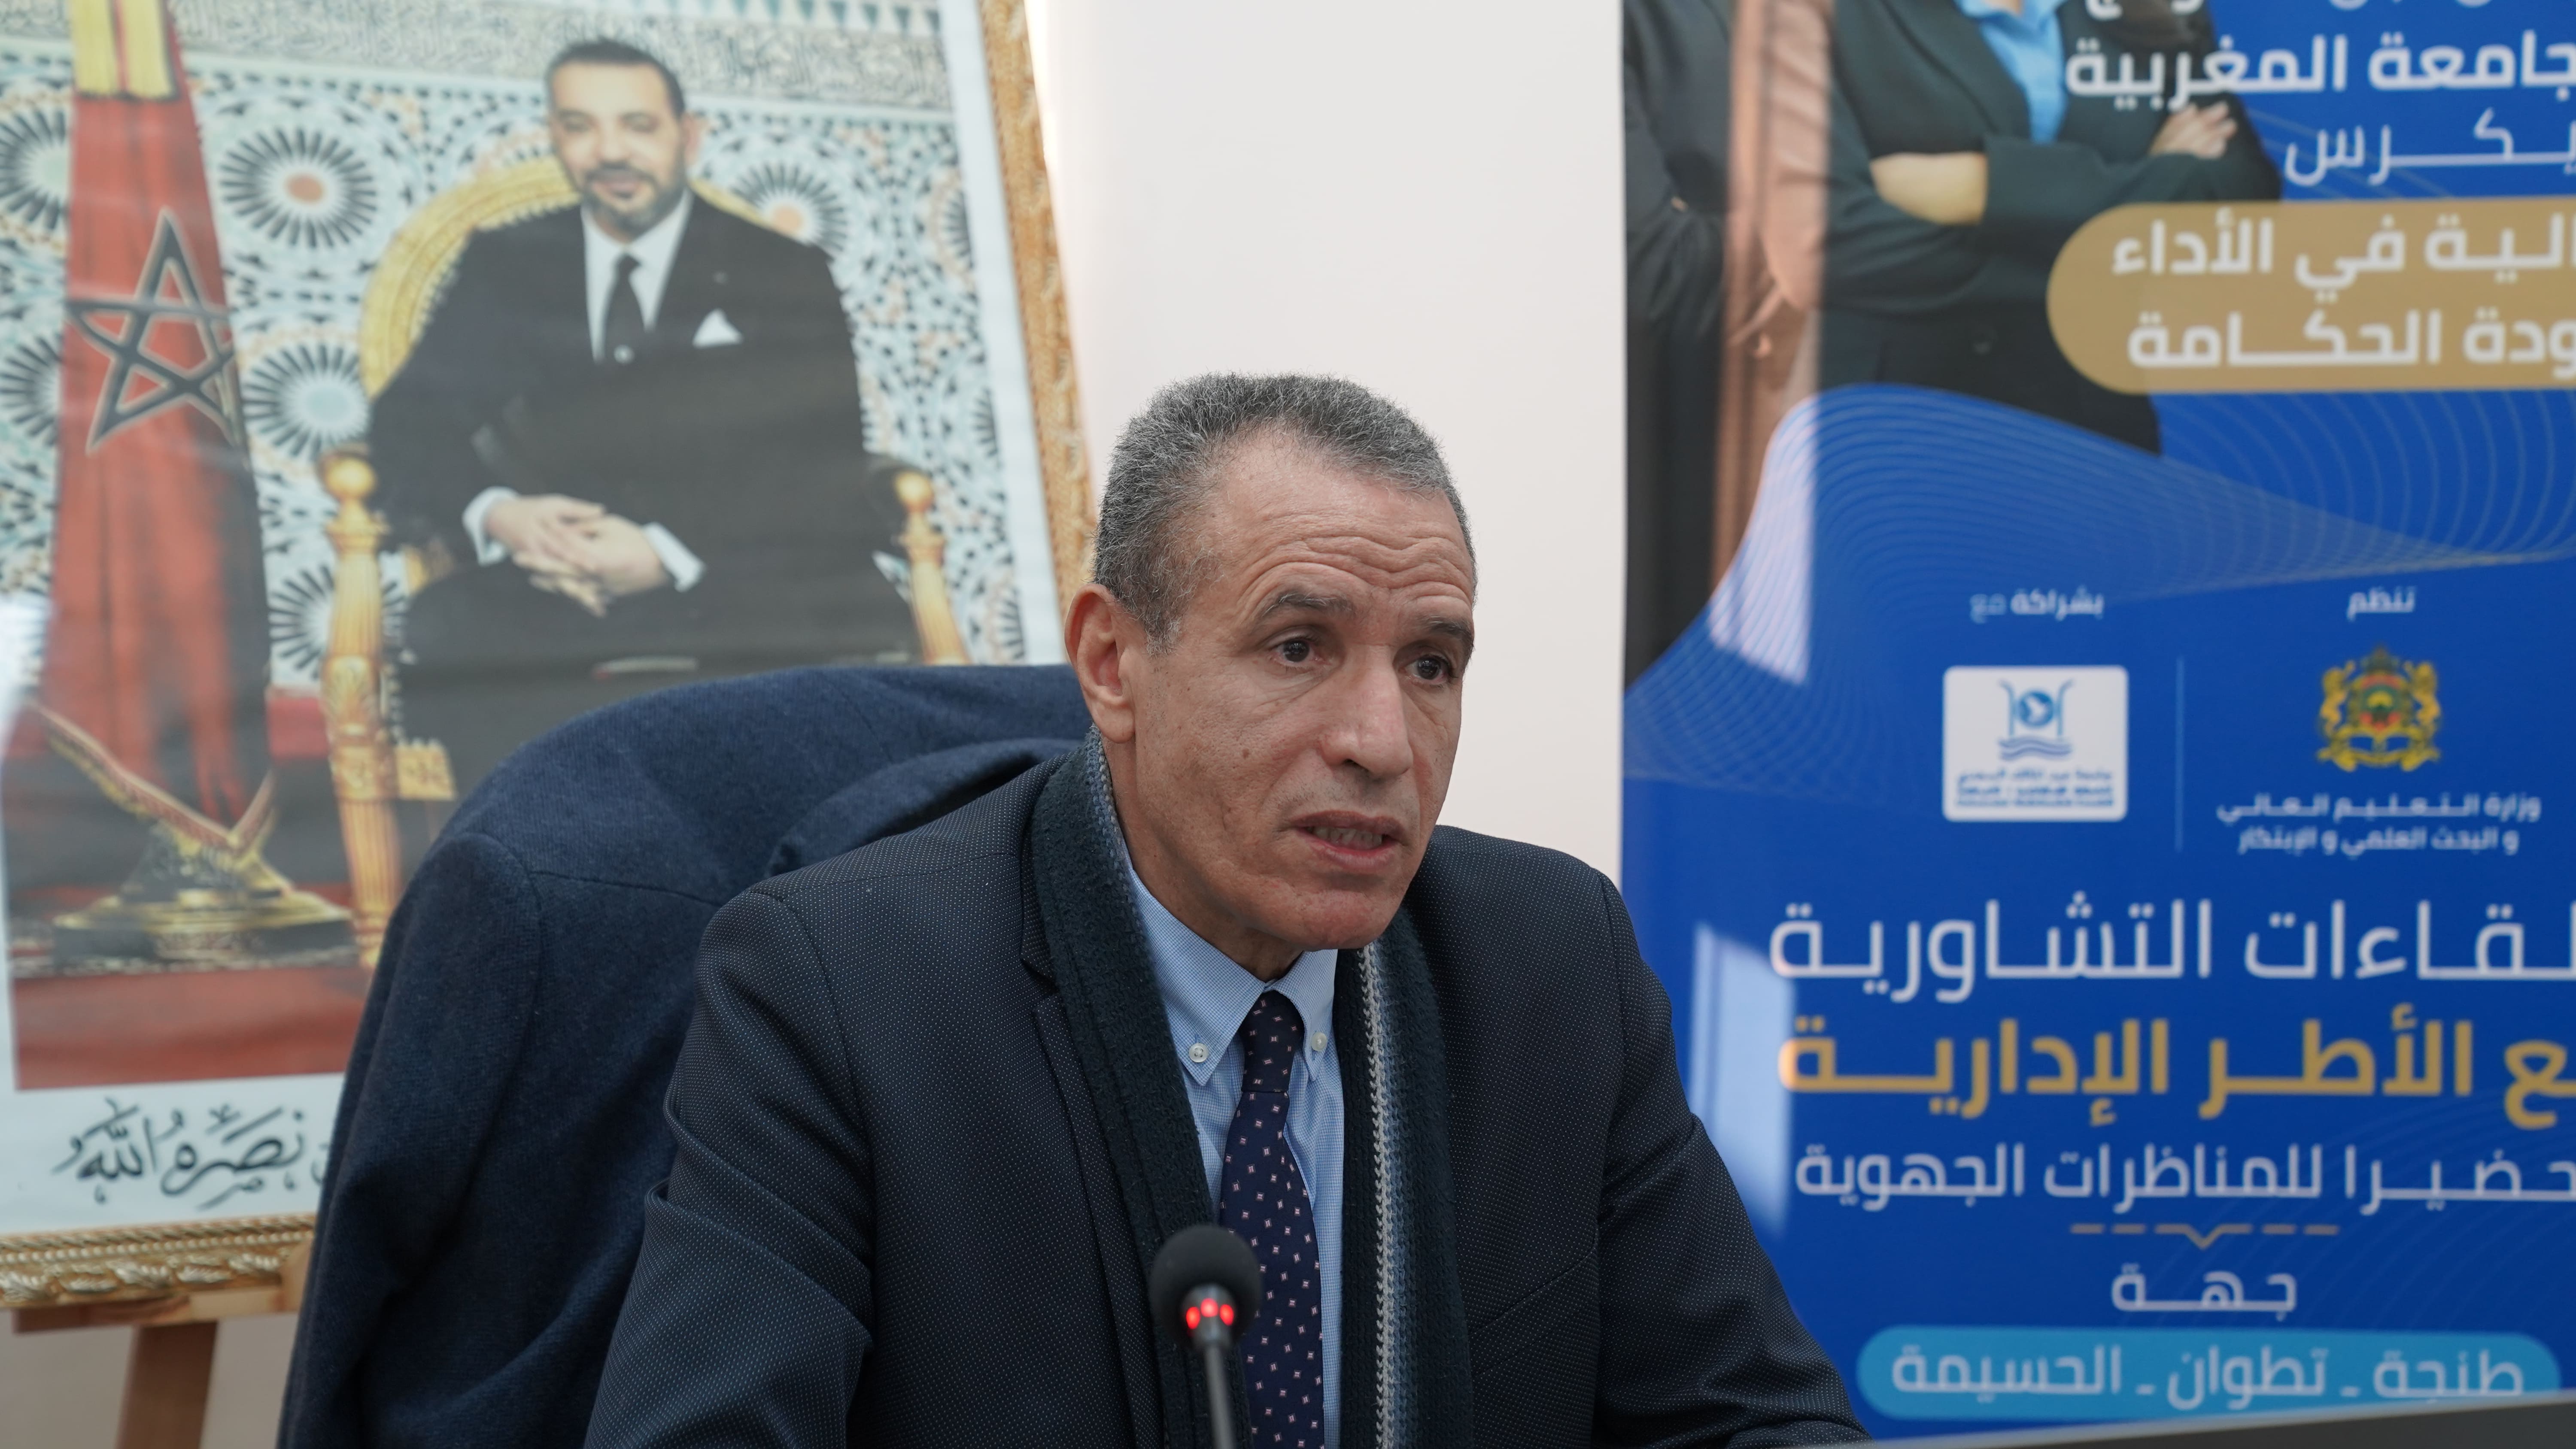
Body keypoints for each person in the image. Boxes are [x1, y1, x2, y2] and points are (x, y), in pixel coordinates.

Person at [583, 374, 1864, 1446]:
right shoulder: (839, 991)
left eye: (1430, 664)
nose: (1382, 742)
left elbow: (1752, 1417)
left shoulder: (1551, 965)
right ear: (1111, 664)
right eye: (1298, 646)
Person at [368, 39, 917, 789]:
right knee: (452, 628)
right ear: (554, 136)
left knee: (824, 650)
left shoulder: (781, 270)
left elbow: (824, 458)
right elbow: (408, 425)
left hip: (740, 572)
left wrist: (666, 551)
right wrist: (500, 514)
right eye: (580, 127)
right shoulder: (508, 264)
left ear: (688, 136)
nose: (610, 152)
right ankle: (550, 847)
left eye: (637, 125)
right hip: (559, 584)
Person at [1821, 0, 2278, 452]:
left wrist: (1984, 186)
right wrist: (2137, 194)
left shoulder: (2149, 7)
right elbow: (1837, 245)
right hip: (1901, 425)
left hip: (2093, 427)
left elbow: (2237, 193)